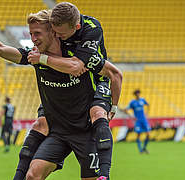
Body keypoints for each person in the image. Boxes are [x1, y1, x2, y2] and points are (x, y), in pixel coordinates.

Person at [0, 5, 122, 180]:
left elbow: (113, 73)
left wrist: (112, 107)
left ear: (53, 32)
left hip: (86, 130)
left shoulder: (80, 56)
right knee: (32, 175)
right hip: (59, 131)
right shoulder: (33, 57)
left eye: (37, 34)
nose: (33, 39)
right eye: (31, 34)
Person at [23, 2, 120, 180]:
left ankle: (104, 175)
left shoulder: (92, 29)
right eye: (53, 31)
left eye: (60, 33)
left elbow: (78, 66)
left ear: (75, 27)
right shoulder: (59, 31)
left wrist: (113, 107)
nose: (56, 36)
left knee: (98, 113)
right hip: (64, 92)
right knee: (41, 123)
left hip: (94, 78)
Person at [123, 89, 151, 154]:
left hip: (144, 120)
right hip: (137, 121)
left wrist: (147, 113)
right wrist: (131, 116)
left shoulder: (142, 100)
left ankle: (144, 148)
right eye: (137, 94)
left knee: (148, 134)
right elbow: (125, 109)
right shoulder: (132, 102)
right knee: (139, 135)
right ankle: (140, 150)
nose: (138, 94)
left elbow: (148, 105)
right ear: (135, 95)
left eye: (138, 93)